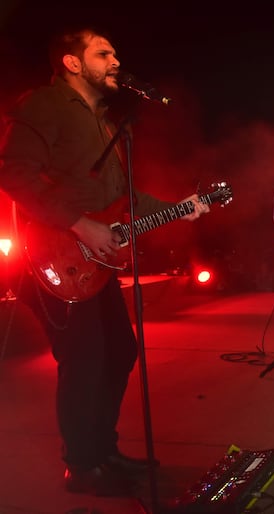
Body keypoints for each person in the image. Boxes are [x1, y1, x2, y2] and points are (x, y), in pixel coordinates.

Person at [0, 27, 210, 496]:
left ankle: (103, 451)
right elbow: (12, 172)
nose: (116, 60)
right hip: (55, 259)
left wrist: (183, 206)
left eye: (117, 51)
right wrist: (80, 224)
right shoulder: (43, 106)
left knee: (118, 352)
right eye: (104, 53)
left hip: (96, 266)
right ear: (73, 63)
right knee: (84, 361)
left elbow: (125, 199)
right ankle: (82, 466)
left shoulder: (108, 123)